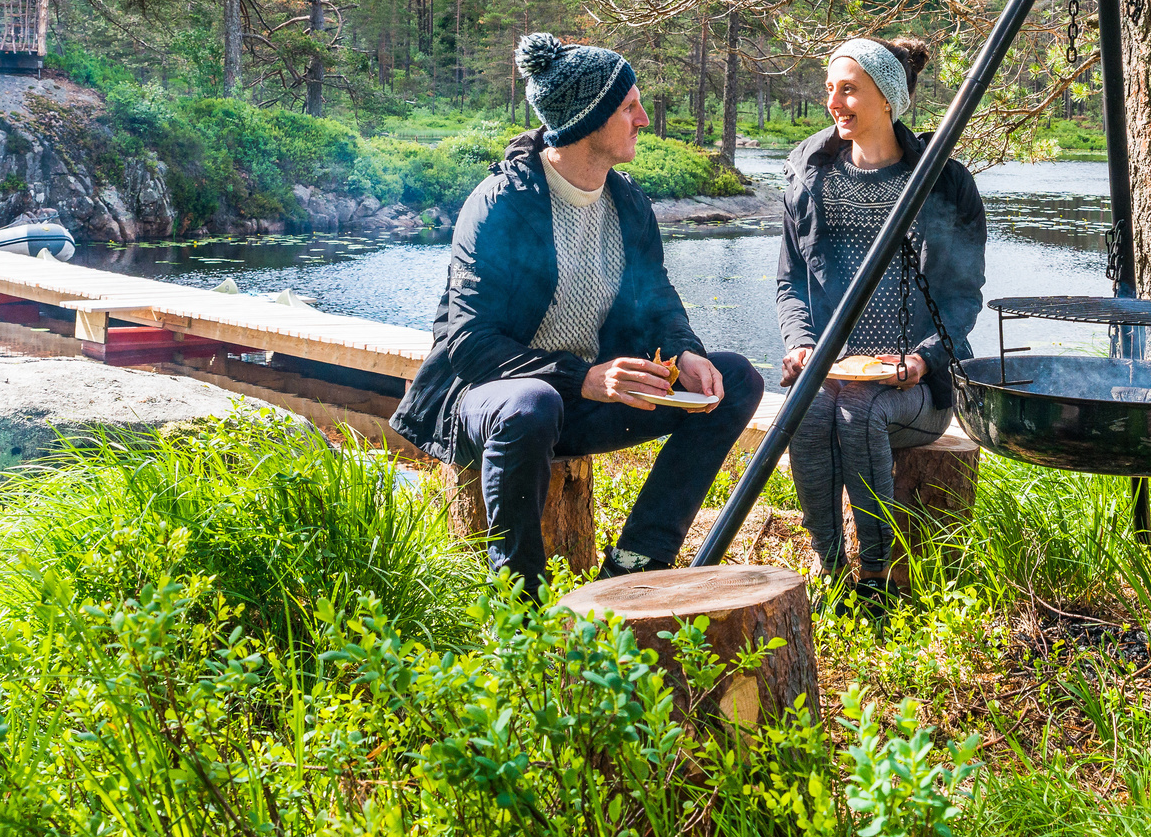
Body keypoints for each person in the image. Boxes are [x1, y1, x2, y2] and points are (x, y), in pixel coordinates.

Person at [392, 32, 768, 593]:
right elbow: (468, 344)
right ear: (589, 119)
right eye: (629, 106)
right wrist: (584, 378)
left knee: (734, 379)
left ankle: (639, 560)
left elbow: (657, 299)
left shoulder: (628, 202)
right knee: (532, 404)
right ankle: (521, 602)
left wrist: (684, 350)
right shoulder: (500, 205)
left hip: (587, 403)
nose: (644, 118)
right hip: (490, 402)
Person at [776, 37, 985, 599]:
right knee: (811, 408)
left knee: (859, 413)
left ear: (889, 99)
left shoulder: (942, 183)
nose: (834, 102)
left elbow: (963, 299)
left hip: (913, 386)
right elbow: (789, 282)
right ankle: (827, 563)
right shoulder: (810, 175)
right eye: (830, 89)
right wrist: (800, 342)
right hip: (834, 370)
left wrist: (922, 357)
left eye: (849, 89)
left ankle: (875, 572)